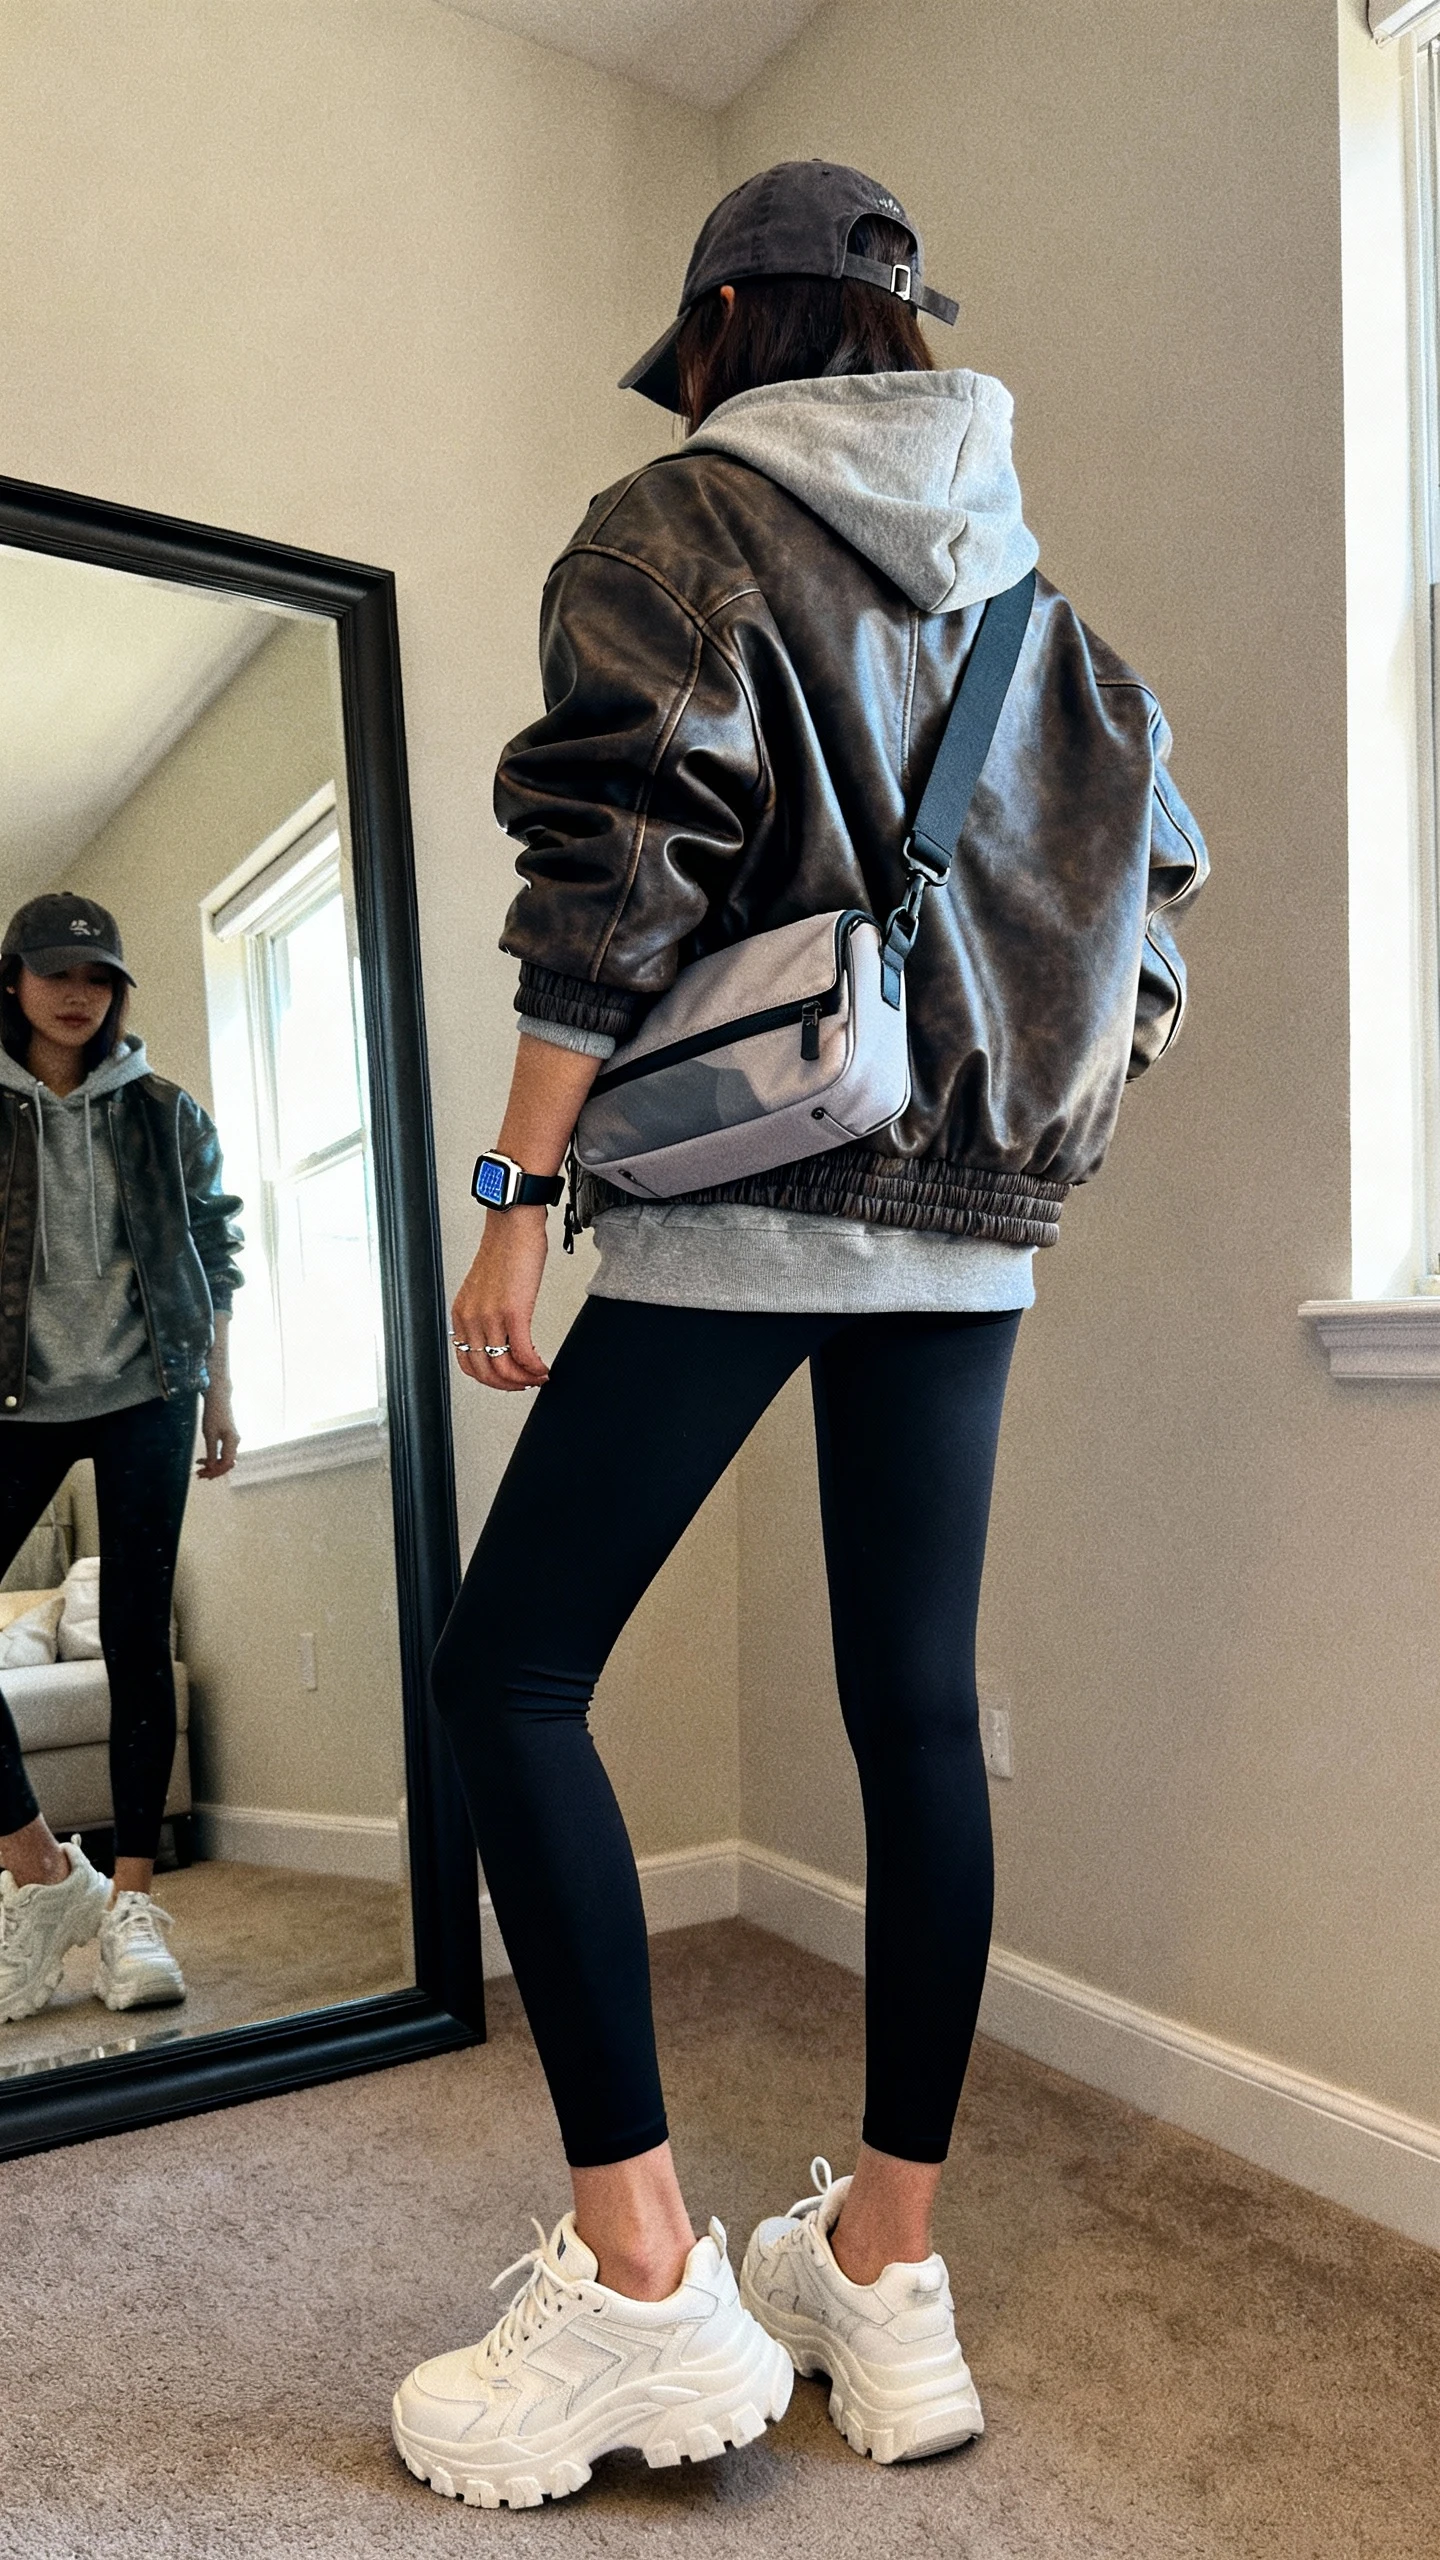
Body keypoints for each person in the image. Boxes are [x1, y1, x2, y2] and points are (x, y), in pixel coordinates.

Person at [391, 162, 1208, 2509]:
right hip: (973, 1233)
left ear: (731, 322)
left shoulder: (679, 526)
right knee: (915, 1712)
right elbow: (1151, 929)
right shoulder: (1058, 630)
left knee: (505, 1673)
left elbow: (611, 872)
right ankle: (886, 2271)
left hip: (748, 1188)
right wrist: (1008, 1130)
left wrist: (512, 1202)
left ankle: (642, 2272)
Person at [0, 892, 243, 2022]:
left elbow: (213, 1250)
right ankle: (44, 1867)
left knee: (141, 1636)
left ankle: (133, 1907)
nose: (77, 993)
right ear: (13, 982)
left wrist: (218, 1392)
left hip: (152, 1388)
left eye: (97, 975)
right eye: (55, 972)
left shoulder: (163, 1111)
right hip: (17, 1399)